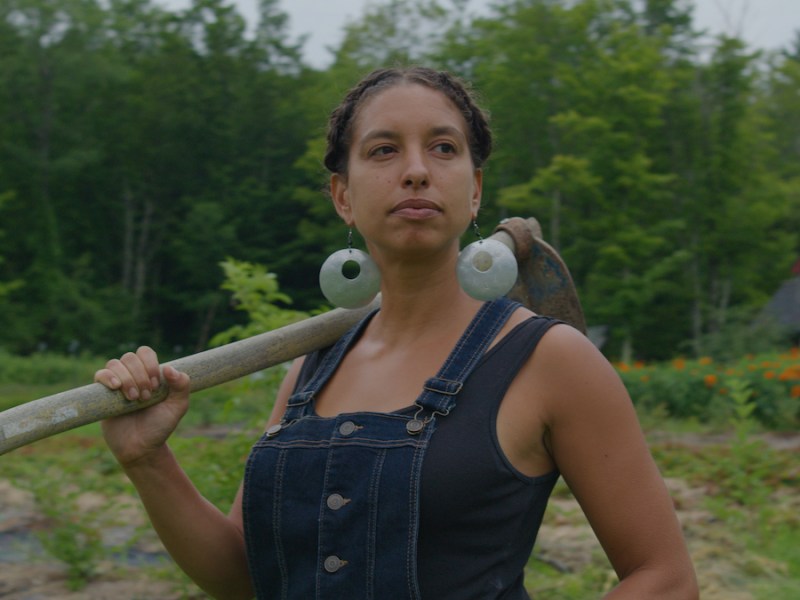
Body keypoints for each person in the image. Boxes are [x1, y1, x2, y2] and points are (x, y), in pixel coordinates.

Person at [95, 66, 699, 599]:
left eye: (443, 148)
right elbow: (242, 577)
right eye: (384, 150)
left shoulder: (548, 359)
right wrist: (149, 460)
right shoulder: (314, 368)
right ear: (343, 197)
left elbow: (665, 579)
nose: (415, 171)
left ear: (475, 190)